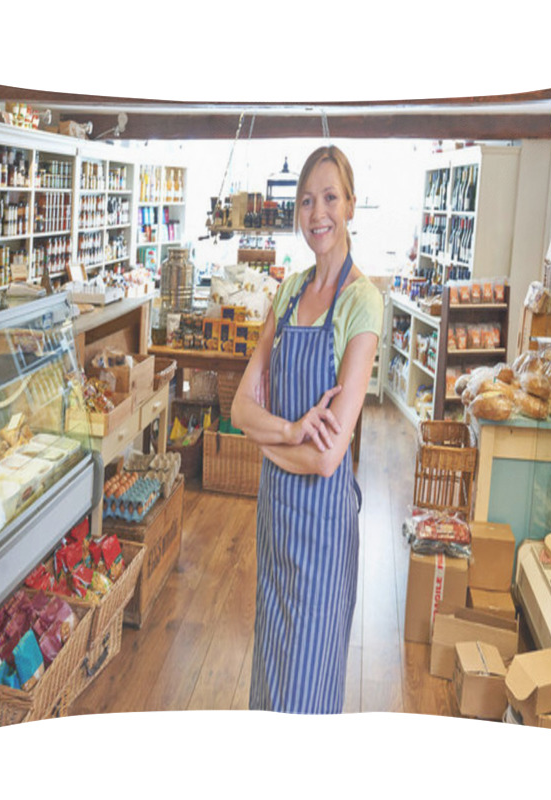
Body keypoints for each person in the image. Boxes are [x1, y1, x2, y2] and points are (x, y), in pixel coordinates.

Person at [231, 145, 384, 713]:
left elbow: (327, 458)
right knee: (269, 676)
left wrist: (270, 443)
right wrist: (293, 429)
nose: (317, 212)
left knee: (307, 687)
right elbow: (239, 411)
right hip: (275, 519)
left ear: (348, 206)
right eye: (305, 201)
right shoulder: (289, 291)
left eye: (329, 198)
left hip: (322, 530)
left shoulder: (362, 304)